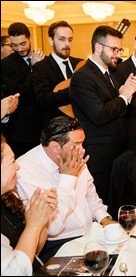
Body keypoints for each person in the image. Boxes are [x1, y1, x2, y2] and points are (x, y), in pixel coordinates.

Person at [16, 116, 115, 263]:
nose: (82, 150)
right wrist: (68, 178)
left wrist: (104, 219)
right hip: (57, 245)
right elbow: (53, 228)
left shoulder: (73, 155)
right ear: (55, 146)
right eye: (77, 144)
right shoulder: (25, 172)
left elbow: (90, 195)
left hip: (90, 234)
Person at [69, 25, 136, 204]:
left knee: (117, 203)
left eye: (119, 49)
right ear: (98, 47)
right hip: (99, 156)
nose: (118, 54)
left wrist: (125, 96)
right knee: (100, 206)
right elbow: (99, 115)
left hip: (117, 151)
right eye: (114, 49)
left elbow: (118, 109)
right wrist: (124, 96)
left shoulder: (112, 75)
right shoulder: (82, 77)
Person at [1, 134, 58, 276]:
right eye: (12, 161)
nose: (18, 166)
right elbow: (15, 272)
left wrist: (40, 218)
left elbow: (34, 250)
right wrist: (33, 225)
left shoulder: (7, 197)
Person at [1, 22, 45, 158]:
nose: (19, 48)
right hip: (22, 132)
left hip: (44, 128)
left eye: (23, 44)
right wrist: (34, 69)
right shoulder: (6, 64)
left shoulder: (44, 60)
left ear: (30, 39)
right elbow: (20, 94)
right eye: (14, 45)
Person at [32, 20, 84, 127]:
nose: (67, 44)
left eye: (70, 40)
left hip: (83, 125)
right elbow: (44, 100)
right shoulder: (40, 67)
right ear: (51, 40)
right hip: (57, 129)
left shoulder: (81, 64)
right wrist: (75, 89)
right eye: (62, 39)